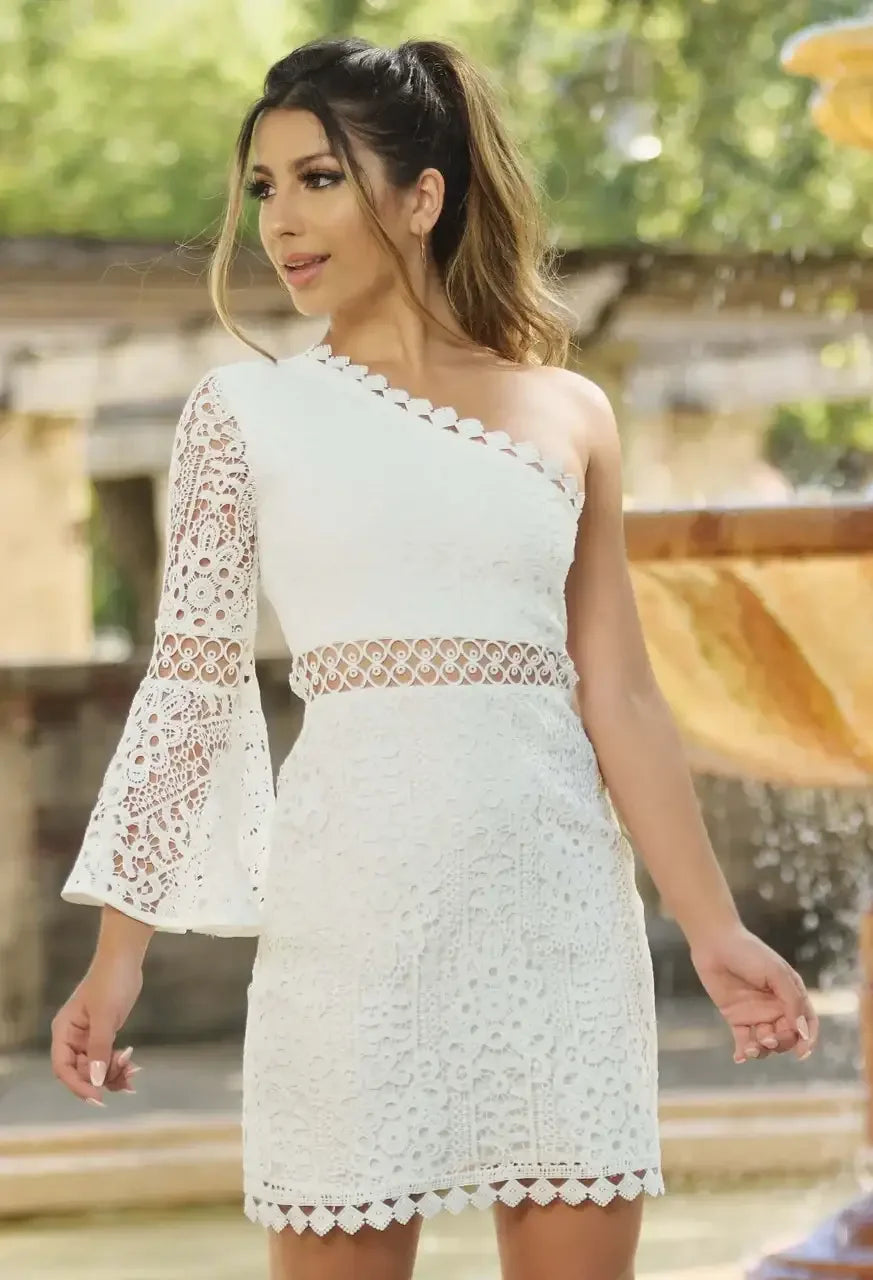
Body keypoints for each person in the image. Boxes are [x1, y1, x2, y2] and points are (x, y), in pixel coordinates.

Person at [50, 35, 820, 1280]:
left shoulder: (571, 412)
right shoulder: (244, 414)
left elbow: (616, 687)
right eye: (263, 188)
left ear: (422, 195)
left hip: (556, 913)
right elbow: (188, 689)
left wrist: (713, 925)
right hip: (350, 916)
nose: (280, 222)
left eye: (318, 179)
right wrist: (117, 957)